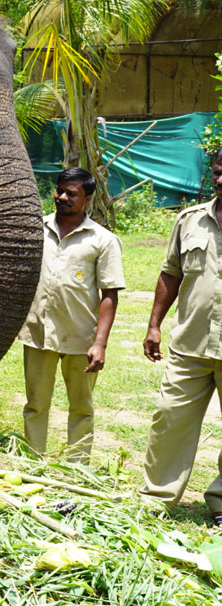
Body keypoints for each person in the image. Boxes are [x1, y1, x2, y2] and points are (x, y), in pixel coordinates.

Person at [17, 167, 123, 464]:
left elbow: (109, 295)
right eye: (59, 190)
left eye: (71, 194)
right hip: (39, 333)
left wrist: (99, 344)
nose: (62, 197)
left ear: (87, 199)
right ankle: (33, 462)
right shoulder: (37, 230)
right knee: (36, 404)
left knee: (81, 406)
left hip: (81, 337)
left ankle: (77, 467)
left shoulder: (102, 240)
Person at [140, 148, 222, 522]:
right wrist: (155, 323)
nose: (220, 180)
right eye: (217, 172)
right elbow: (170, 272)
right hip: (191, 344)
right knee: (169, 418)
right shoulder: (190, 220)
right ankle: (156, 499)